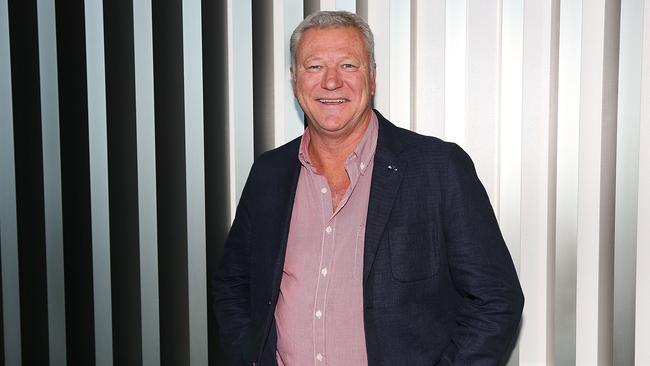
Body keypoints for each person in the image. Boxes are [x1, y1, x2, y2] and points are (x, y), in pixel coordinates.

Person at [213, 10, 523, 366]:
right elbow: (233, 285)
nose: (331, 82)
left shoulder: (438, 169)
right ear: (294, 79)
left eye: (348, 65)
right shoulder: (269, 173)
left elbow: (497, 299)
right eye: (314, 66)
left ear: (372, 78)